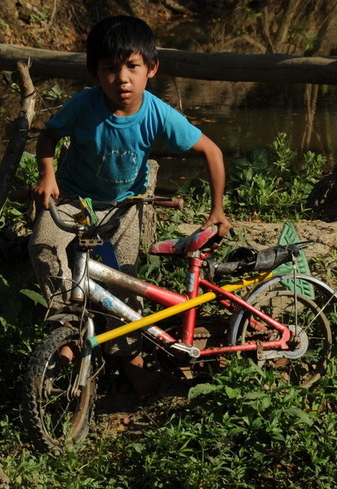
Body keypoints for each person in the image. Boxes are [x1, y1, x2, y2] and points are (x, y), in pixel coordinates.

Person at [20, 15, 232, 398]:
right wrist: (47, 175)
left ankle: (133, 367)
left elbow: (211, 151)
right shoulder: (84, 105)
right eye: (110, 69)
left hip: (123, 209)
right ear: (94, 73)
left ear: (151, 69)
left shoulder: (156, 113)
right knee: (44, 246)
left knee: (126, 290)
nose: (122, 78)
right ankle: (68, 327)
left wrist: (217, 210)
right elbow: (49, 136)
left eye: (132, 67)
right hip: (73, 201)